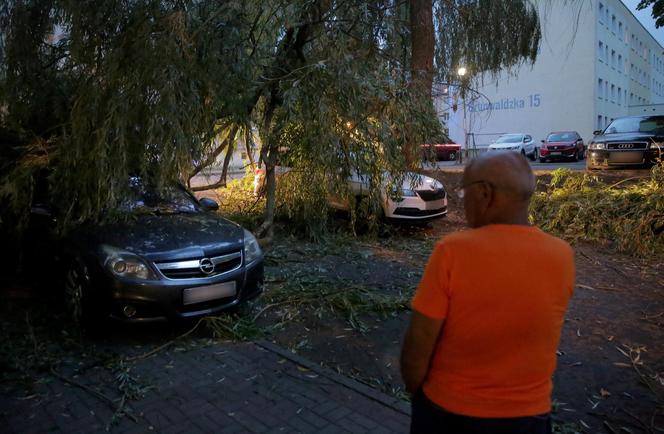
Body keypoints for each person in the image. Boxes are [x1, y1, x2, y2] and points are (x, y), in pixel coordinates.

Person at [400, 152, 575, 434]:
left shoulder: (453, 251)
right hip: (528, 418)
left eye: (464, 190)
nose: (462, 200)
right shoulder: (563, 256)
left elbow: (418, 344)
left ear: (485, 193)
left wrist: (418, 396)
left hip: (449, 413)